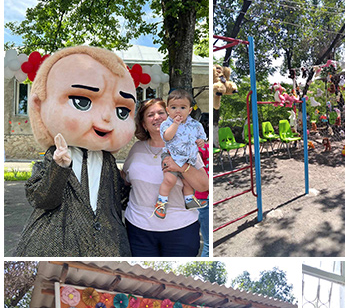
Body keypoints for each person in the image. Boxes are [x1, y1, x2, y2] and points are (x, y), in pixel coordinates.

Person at [15, 45, 138, 256]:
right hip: (58, 245)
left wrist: (137, 182)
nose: (107, 117)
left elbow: (118, 200)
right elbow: (41, 199)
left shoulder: (108, 161)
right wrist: (58, 168)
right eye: (82, 102)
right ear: (38, 106)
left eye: (122, 110)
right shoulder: (53, 155)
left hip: (107, 247)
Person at [121, 97, 204, 256]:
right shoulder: (136, 149)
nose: (157, 117)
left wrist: (182, 167)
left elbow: (203, 185)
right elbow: (125, 177)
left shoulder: (184, 146)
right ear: (144, 124)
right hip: (139, 230)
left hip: (180, 229)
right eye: (150, 115)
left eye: (161, 113)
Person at [155, 89, 206, 217]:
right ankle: (161, 203)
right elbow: (167, 137)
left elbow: (201, 138)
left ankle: (189, 200)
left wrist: (201, 141)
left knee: (188, 182)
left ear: (189, 110)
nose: (178, 111)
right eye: (173, 107)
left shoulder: (195, 124)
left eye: (182, 107)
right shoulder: (166, 124)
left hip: (188, 158)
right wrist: (176, 124)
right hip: (171, 156)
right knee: (169, 180)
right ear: (167, 110)